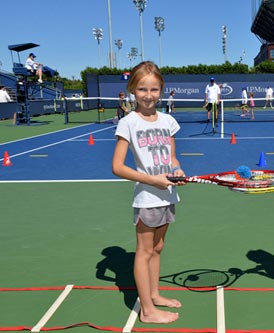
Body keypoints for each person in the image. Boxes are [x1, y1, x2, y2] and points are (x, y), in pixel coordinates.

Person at [112, 61, 186, 324]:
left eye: (154, 89)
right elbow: (117, 167)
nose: (148, 95)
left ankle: (154, 294)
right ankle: (147, 310)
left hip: (167, 195)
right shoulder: (128, 122)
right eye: (142, 89)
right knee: (143, 252)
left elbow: (173, 158)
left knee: (158, 247)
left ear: (161, 90)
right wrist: (152, 180)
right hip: (147, 197)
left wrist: (177, 171)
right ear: (133, 89)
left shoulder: (168, 121)